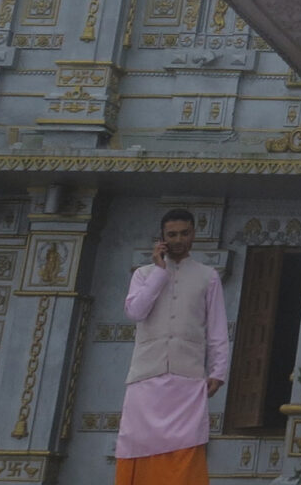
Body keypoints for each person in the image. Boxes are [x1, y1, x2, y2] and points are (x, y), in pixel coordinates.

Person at [115, 207, 229, 485]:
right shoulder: (144, 274)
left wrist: (218, 371)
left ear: (194, 235)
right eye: (172, 234)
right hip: (146, 374)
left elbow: (217, 328)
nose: (178, 240)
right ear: (162, 238)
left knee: (185, 448)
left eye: (184, 233)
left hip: (187, 377)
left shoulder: (208, 276)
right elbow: (135, 312)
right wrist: (159, 271)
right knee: (138, 443)